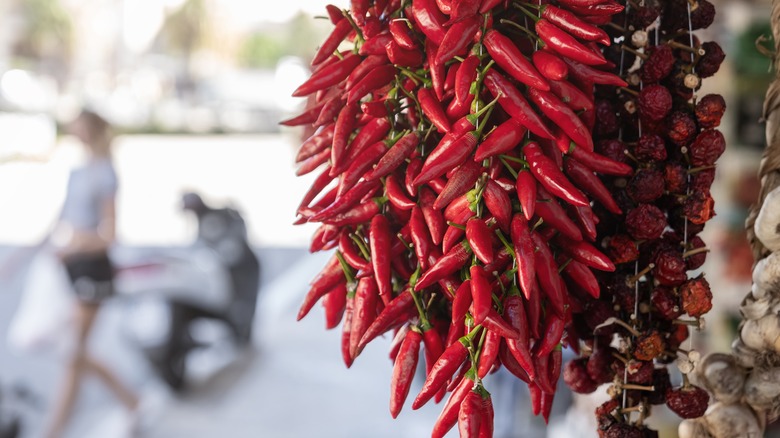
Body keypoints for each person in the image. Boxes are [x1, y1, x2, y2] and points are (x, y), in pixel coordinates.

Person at [43, 110, 140, 438]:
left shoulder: (104, 173)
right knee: (75, 352)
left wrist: (74, 245)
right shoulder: (78, 170)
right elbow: (58, 221)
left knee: (73, 353)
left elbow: (109, 234)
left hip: (92, 270)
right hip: (72, 267)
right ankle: (131, 400)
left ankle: (54, 431)